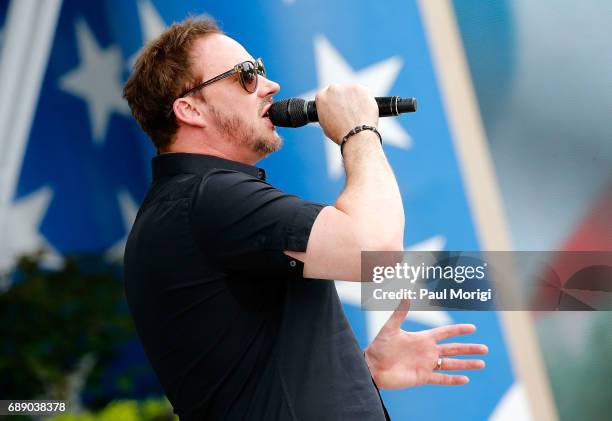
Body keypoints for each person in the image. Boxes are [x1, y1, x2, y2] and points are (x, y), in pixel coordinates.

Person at [122, 17, 488, 421]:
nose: (270, 85)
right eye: (245, 76)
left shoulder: (189, 205)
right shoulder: (210, 199)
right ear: (189, 108)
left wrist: (360, 370)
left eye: (260, 68)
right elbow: (376, 251)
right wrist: (359, 130)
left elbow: (248, 377)